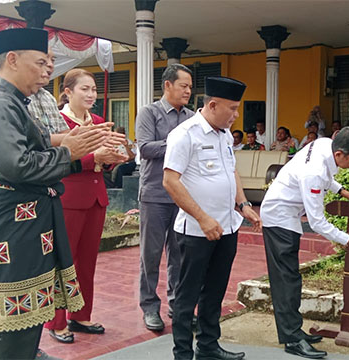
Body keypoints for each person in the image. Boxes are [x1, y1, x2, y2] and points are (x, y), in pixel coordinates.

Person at [0, 28, 120, 360]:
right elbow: (17, 165)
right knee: (11, 317)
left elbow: (35, 145)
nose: (45, 71)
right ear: (12, 60)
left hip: (28, 221)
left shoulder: (16, 102)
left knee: (31, 311)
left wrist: (73, 142)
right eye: (39, 63)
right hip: (11, 223)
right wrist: (71, 151)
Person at [163, 76, 261, 360]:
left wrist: (242, 204)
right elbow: (170, 181)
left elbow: (231, 172)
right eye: (232, 109)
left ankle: (208, 346)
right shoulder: (185, 134)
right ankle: (183, 353)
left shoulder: (225, 135)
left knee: (215, 291)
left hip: (228, 226)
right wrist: (203, 218)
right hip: (195, 231)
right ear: (213, 104)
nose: (236, 115)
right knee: (186, 296)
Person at [260, 127, 349, 359]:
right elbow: (317, 223)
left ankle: (294, 330)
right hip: (279, 217)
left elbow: (326, 177)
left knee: (291, 278)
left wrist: (341, 190)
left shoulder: (324, 144)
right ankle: (292, 339)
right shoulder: (314, 173)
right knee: (286, 281)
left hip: (287, 213)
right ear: (340, 153)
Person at [44, 69, 128, 344]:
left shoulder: (100, 121)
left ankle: (80, 314)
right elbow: (57, 162)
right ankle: (56, 321)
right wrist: (95, 158)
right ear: (68, 92)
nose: (91, 94)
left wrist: (116, 157)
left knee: (88, 261)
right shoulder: (59, 123)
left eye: (93, 89)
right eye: (85, 89)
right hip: (68, 197)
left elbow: (106, 160)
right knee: (62, 260)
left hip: (96, 197)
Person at [135, 63, 194, 331]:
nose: (188, 92)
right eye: (184, 86)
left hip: (183, 196)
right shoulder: (149, 113)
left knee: (180, 255)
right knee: (151, 254)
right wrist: (179, 142)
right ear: (168, 85)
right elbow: (145, 148)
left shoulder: (194, 117)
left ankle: (177, 305)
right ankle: (149, 307)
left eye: (191, 87)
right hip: (155, 194)